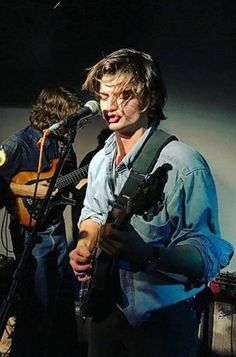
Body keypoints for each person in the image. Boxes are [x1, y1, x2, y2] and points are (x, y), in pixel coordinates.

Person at [69, 48, 234, 357]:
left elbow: (208, 250)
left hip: (163, 317)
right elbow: (92, 212)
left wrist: (148, 254)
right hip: (107, 304)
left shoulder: (183, 164)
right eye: (104, 96)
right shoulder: (100, 160)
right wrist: (84, 245)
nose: (110, 106)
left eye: (124, 95)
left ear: (152, 98)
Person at [0, 86, 83, 357]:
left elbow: (67, 183)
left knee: (59, 300)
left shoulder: (63, 144)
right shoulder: (17, 143)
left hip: (55, 227)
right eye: (70, 118)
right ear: (53, 115)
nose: (74, 125)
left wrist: (81, 183)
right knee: (36, 302)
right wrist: (28, 190)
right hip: (30, 232)